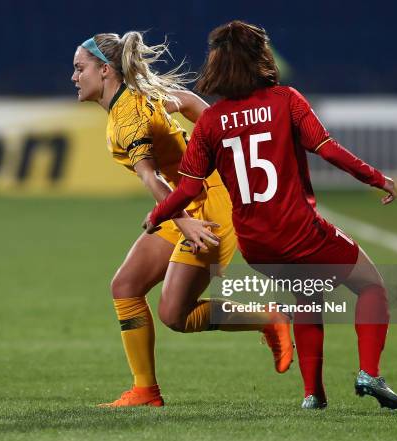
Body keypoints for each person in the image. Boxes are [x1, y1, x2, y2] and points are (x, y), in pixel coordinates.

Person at [145, 21, 397, 410]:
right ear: (260, 57)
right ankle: (369, 373)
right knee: (372, 287)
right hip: (300, 231)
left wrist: (157, 214)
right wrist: (376, 177)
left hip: (257, 246)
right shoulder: (286, 100)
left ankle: (313, 395)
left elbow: (187, 189)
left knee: (306, 297)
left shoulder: (211, 122)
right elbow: (327, 149)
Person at [71, 32, 294, 407]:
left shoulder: (127, 118)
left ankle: (270, 318)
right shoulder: (137, 97)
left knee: (175, 314)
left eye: (80, 68)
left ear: (105, 71)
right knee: (126, 286)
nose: (74, 77)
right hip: (184, 202)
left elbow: (150, 177)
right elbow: (189, 102)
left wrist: (186, 220)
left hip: (209, 207)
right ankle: (145, 391)